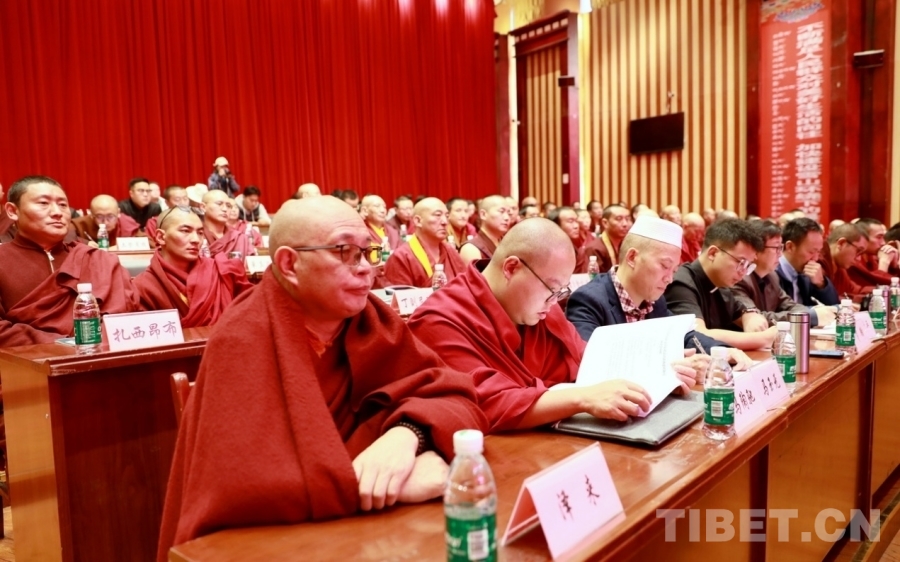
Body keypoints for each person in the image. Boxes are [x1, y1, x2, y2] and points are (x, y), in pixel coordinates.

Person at [157, 196, 486, 559]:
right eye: (345, 252)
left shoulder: (373, 321)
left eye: (368, 252)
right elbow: (239, 490)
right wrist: (374, 486)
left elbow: (456, 397)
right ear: (290, 264)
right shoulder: (243, 336)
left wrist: (407, 436)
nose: (366, 269)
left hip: (369, 535)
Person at [408, 218, 703, 432]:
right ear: (511, 268)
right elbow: (483, 402)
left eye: (561, 292)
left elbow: (589, 361)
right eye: (551, 289)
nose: (554, 303)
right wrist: (580, 398)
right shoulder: (440, 318)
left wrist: (658, 374)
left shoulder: (539, 308)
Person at [566, 216, 750, 367]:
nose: (669, 279)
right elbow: (592, 361)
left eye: (674, 270)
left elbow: (684, 335)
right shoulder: (589, 300)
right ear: (632, 257)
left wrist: (723, 351)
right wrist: (669, 366)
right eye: (664, 266)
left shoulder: (656, 301)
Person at [0, 176, 139, 347]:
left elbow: (124, 316)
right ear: (13, 211)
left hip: (100, 355)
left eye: (63, 205)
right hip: (27, 359)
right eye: (43, 203)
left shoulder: (94, 259)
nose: (57, 212)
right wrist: (61, 345)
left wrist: (95, 344)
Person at [665, 218, 778, 351]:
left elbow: (742, 311)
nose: (743, 272)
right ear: (713, 253)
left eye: (748, 265)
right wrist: (763, 339)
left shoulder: (721, 285)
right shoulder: (681, 283)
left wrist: (750, 315)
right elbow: (698, 335)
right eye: (741, 262)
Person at [134, 208, 253, 327]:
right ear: (160, 237)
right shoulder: (144, 286)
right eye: (185, 231)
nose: (196, 240)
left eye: (200, 233)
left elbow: (249, 311)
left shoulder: (223, 271)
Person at [732, 220, 835, 328]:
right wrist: (808, 316)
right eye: (776, 248)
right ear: (756, 251)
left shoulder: (772, 276)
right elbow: (754, 318)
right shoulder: (738, 278)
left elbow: (790, 306)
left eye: (781, 248)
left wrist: (813, 312)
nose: (781, 254)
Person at [384, 198, 465, 288]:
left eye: (447, 216)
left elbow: (465, 286)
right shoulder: (401, 256)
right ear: (418, 221)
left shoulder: (450, 251)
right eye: (438, 215)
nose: (445, 222)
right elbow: (399, 295)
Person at [775, 218, 839, 306]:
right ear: (790, 247)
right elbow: (777, 311)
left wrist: (821, 284)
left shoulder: (807, 274)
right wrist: (812, 312)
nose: (816, 258)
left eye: (818, 252)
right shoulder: (770, 274)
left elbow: (834, 306)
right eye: (811, 252)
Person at [819, 222, 873, 301]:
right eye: (858, 251)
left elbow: (855, 290)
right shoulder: (818, 261)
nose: (858, 259)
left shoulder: (839, 268)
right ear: (841, 243)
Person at [201, 190, 261, 257]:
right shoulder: (197, 235)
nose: (225, 209)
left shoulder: (239, 237)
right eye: (219, 204)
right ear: (203, 207)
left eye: (228, 206)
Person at [71, 194, 140, 248]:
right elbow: (67, 238)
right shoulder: (81, 224)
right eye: (100, 217)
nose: (105, 222)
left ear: (118, 213)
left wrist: (121, 247)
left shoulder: (126, 223)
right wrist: (86, 243)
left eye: (110, 216)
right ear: (91, 215)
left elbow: (144, 242)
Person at [459, 195, 510, 264]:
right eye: (501, 211)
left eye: (508, 213)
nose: (507, 218)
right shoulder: (470, 249)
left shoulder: (508, 244)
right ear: (483, 214)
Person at [847, 218, 899, 286]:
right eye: (879, 237)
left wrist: (893, 267)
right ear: (863, 237)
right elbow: (874, 289)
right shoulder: (852, 262)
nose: (883, 243)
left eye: (883, 237)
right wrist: (884, 263)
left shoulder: (874, 258)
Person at [582, 204, 632, 274]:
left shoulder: (629, 246)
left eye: (627, 219)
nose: (625, 224)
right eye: (619, 219)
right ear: (605, 223)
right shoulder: (594, 249)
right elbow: (594, 278)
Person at [548, 207, 587, 273]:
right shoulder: (548, 251)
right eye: (570, 221)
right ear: (556, 225)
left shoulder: (572, 246)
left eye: (576, 221)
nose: (576, 226)